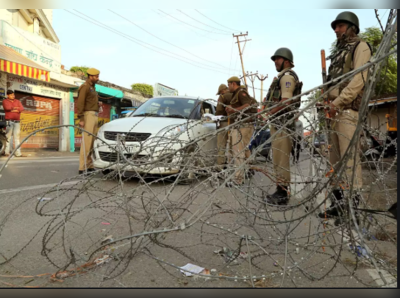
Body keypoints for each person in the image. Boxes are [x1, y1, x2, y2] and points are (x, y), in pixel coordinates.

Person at [318, 11, 372, 224]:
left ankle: (352, 209)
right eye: (335, 27)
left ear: (352, 28)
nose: (336, 30)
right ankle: (338, 204)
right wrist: (325, 101)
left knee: (350, 163)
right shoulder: (339, 53)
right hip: (333, 112)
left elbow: (358, 80)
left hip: (347, 110)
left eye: (340, 26)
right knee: (336, 163)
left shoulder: (361, 47)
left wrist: (337, 103)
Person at [262, 47, 302, 205]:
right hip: (278, 123)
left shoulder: (287, 77)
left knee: (281, 159)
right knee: (277, 159)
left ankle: (283, 193)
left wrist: (268, 113)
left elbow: (286, 101)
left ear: (286, 61)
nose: (275, 62)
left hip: (283, 124)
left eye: (277, 59)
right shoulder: (281, 77)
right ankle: (280, 189)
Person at [225, 76, 258, 186]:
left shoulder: (241, 92)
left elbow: (247, 105)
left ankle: (238, 179)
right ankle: (248, 169)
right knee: (243, 150)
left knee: (238, 152)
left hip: (242, 126)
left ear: (233, 84)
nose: (228, 87)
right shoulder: (236, 94)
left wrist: (233, 109)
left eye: (229, 84)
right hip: (241, 126)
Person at [77, 68, 100, 174]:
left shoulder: (92, 88)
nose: (97, 78)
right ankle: (82, 167)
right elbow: (80, 103)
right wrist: (81, 118)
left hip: (94, 115)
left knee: (92, 142)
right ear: (90, 76)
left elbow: (90, 101)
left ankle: (90, 165)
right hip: (88, 115)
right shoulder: (85, 87)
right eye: (96, 76)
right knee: (86, 142)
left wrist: (98, 104)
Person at [2, 90, 26, 157]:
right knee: (8, 137)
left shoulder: (17, 101)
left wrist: (13, 109)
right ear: (8, 95)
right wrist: (16, 108)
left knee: (17, 138)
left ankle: (18, 153)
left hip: (17, 122)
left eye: (13, 95)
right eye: (11, 95)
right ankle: (6, 152)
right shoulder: (5, 101)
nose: (13, 96)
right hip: (9, 121)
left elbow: (21, 108)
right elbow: (7, 108)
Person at [215, 84, 232, 171]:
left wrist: (215, 119)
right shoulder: (235, 94)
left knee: (221, 145)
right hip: (235, 123)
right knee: (233, 146)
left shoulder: (222, 97)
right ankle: (233, 167)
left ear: (222, 91)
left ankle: (220, 167)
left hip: (224, 122)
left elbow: (219, 110)